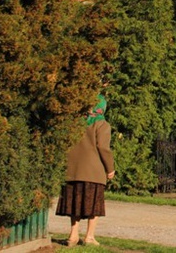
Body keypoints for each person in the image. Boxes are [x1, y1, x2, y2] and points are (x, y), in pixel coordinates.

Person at [56, 94, 115, 247]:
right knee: (93, 205)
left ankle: (73, 236)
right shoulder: (102, 125)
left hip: (73, 170)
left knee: (75, 204)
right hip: (94, 172)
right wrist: (110, 169)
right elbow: (103, 148)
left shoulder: (75, 124)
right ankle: (89, 237)